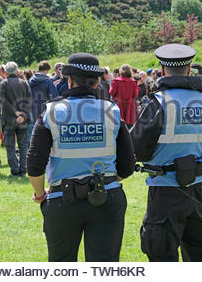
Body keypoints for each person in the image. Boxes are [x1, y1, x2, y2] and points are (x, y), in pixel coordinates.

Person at [27, 52, 136, 262]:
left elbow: (34, 163)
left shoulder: (51, 112)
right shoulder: (112, 111)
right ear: (97, 83)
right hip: (106, 198)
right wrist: (105, 181)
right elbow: (127, 165)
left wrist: (40, 194)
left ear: (69, 81)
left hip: (62, 200)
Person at [130, 43, 202, 262]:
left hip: (165, 189)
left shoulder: (158, 102)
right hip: (197, 185)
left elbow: (138, 147)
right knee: (199, 253)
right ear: (189, 69)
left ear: (162, 71)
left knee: (161, 255)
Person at [0, 62, 32, 177]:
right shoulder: (24, 83)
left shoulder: (3, 83)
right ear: (17, 71)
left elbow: (3, 100)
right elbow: (29, 101)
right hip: (22, 120)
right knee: (23, 146)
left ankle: (14, 170)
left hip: (9, 119)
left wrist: (15, 112)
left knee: (10, 146)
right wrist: (22, 115)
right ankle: (23, 170)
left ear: (6, 72)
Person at [29, 61, 59, 142]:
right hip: (45, 108)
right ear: (46, 70)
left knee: (34, 130)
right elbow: (55, 96)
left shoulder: (30, 80)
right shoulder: (47, 81)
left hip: (32, 107)